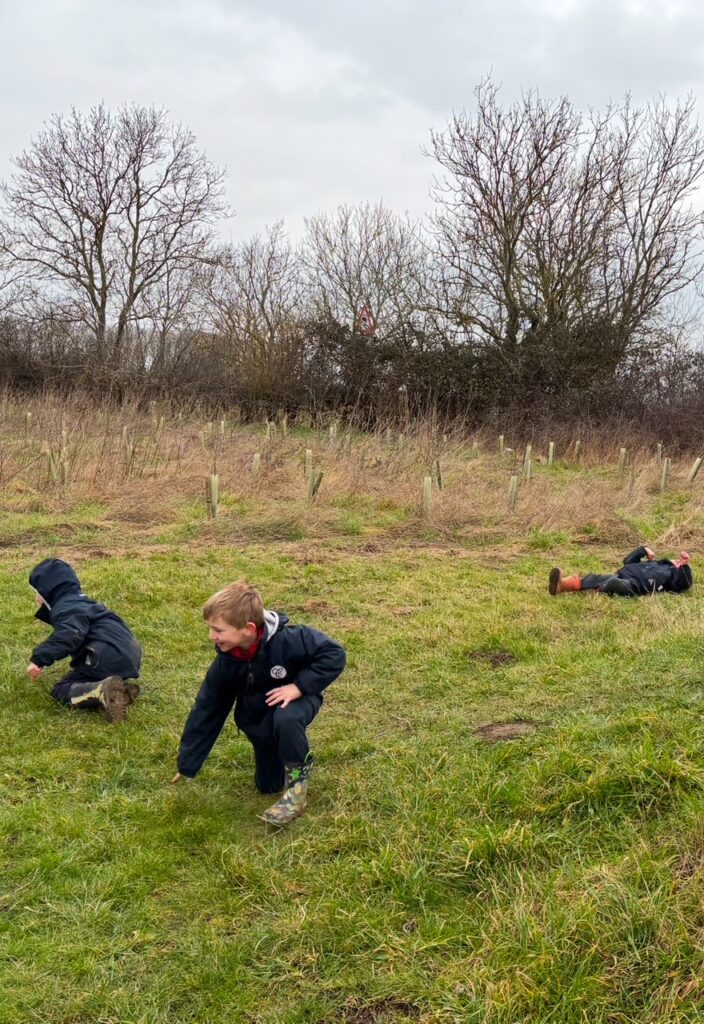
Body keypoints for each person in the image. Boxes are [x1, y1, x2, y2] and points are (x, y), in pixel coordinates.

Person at [172, 581, 346, 826]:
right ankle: (278, 767)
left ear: (248, 629)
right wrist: (188, 763)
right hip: (259, 722)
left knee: (287, 718)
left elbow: (334, 654)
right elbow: (208, 709)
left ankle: (297, 790)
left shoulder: (292, 639)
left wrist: (299, 686)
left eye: (218, 630)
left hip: (299, 701)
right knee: (268, 787)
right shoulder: (227, 662)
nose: (212, 636)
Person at [27, 558, 142, 722]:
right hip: (129, 656)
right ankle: (120, 692)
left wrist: (39, 659)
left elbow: (70, 634)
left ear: (47, 591)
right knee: (99, 674)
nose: (36, 599)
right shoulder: (86, 603)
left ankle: (101, 690)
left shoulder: (66, 608)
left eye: (36, 593)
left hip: (104, 656)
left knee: (61, 690)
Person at [549, 546, 693, 597]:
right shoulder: (654, 564)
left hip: (634, 587)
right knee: (594, 578)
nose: (678, 561)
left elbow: (683, 585)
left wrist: (685, 567)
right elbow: (627, 562)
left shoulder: (671, 578)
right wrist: (642, 550)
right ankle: (562, 585)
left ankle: (600, 591)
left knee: (613, 583)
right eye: (678, 560)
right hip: (621, 574)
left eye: (680, 563)